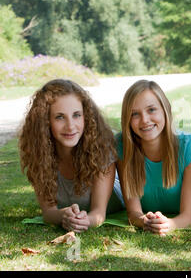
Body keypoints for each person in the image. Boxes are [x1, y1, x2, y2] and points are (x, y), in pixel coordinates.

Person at [19, 79, 124, 233]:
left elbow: (98, 213)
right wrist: (63, 215)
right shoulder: (39, 155)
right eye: (60, 117)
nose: (70, 126)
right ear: (45, 122)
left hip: (113, 201)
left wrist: (84, 221)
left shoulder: (101, 149)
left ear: (86, 117)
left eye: (76, 115)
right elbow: (48, 213)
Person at [116, 80, 191, 236]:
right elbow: (133, 213)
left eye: (151, 110)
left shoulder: (188, 145)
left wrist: (169, 224)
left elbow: (188, 218)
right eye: (135, 114)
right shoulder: (122, 145)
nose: (144, 120)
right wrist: (145, 221)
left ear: (165, 110)